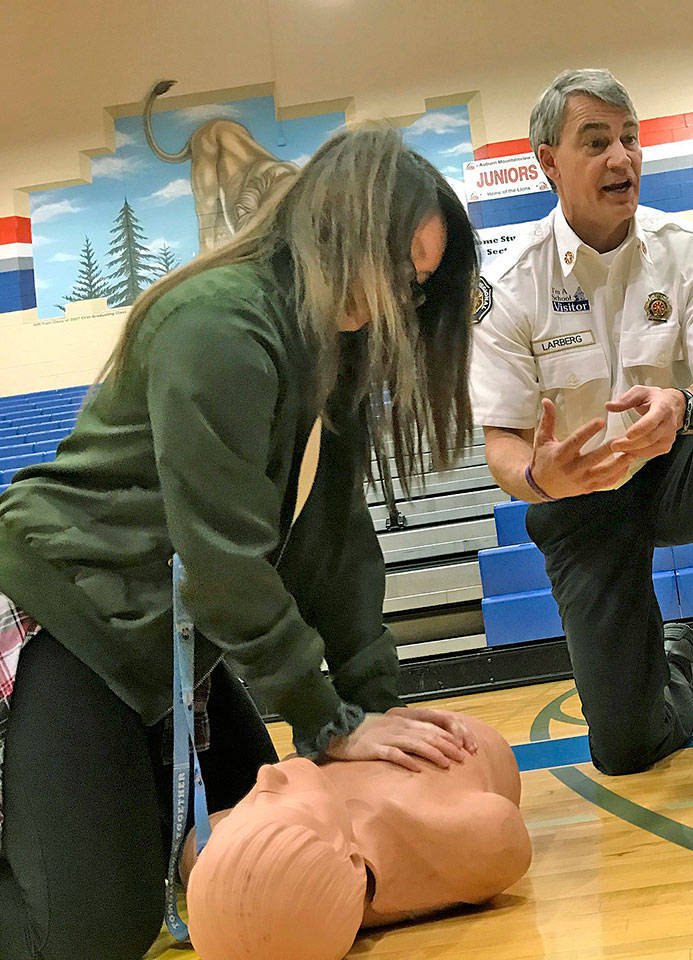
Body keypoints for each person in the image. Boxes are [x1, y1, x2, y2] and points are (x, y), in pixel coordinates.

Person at [0, 126, 482, 960]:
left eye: (421, 281)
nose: (407, 293)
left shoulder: (333, 349)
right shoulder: (219, 322)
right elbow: (222, 560)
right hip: (69, 623)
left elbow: (335, 546)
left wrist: (375, 706)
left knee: (262, 860)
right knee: (86, 937)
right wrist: (327, 722)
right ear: (338, 222)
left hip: (176, 649)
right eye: (402, 263)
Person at [471, 69, 693, 801]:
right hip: (578, 500)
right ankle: (681, 671)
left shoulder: (688, 247)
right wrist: (540, 479)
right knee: (624, 752)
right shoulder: (509, 284)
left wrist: (684, 406)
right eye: (595, 142)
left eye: (629, 139)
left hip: (672, 468)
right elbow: (502, 444)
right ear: (547, 163)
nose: (622, 159)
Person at [185, 715, 531, 960]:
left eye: (251, 807)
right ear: (350, 858)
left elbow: (198, 845)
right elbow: (504, 836)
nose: (267, 774)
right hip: (464, 740)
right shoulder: (440, 827)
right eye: (280, 799)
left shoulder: (231, 851)